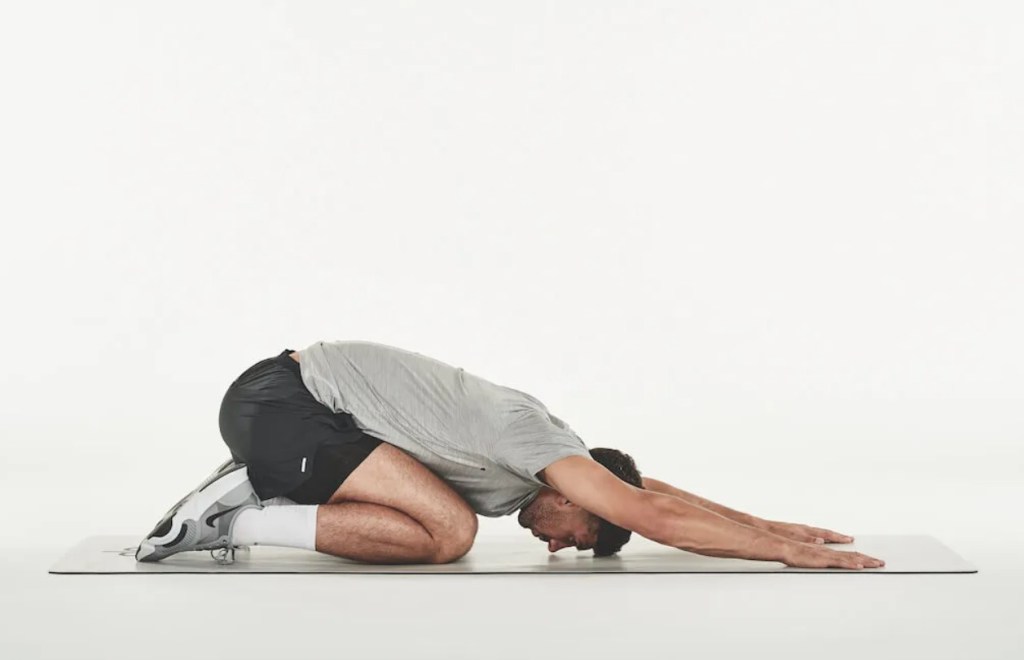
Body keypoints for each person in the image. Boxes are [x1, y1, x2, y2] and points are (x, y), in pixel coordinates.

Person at [135, 340, 885, 570]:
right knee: (451, 534)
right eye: (575, 533)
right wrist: (796, 561)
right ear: (579, 496)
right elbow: (649, 511)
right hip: (285, 403)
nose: (556, 544)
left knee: (447, 527)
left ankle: (254, 489)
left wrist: (775, 526)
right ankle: (232, 523)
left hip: (295, 416)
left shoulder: (555, 463)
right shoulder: (537, 442)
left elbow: (649, 488)